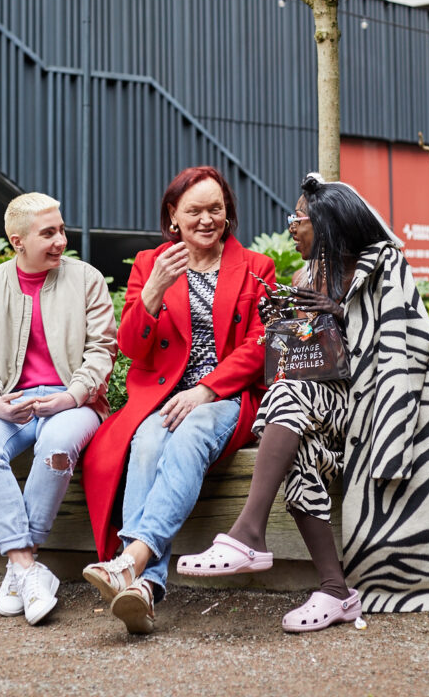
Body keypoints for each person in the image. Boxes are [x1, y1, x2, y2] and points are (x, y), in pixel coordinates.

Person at [178, 174, 429, 631]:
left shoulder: (384, 268)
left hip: (383, 413)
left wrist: (341, 313)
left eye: (296, 219)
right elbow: (311, 367)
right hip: (336, 411)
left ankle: (251, 536)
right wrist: (289, 329)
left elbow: (409, 352)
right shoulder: (307, 276)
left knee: (288, 400)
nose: (290, 229)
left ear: (323, 222)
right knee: (289, 412)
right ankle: (334, 589)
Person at [80, 166, 276, 634]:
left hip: (224, 395)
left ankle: (131, 559)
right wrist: (150, 296)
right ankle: (143, 589)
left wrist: (207, 388)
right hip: (162, 397)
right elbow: (129, 347)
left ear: (228, 213)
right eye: (194, 210)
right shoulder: (152, 263)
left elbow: (262, 343)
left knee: (189, 437)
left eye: (215, 209)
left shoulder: (256, 266)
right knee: (146, 444)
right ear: (173, 215)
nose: (206, 219)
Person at [0, 192, 117, 625]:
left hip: (73, 400)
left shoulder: (87, 280)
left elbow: (103, 350)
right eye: (48, 233)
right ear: (17, 242)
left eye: (61, 229)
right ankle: (27, 566)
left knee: (57, 444)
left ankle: (19, 567)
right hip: (10, 401)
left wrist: (72, 395)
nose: (60, 240)